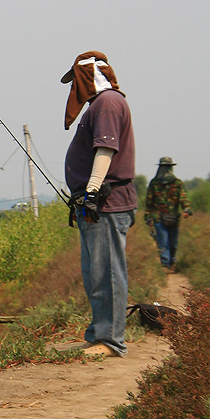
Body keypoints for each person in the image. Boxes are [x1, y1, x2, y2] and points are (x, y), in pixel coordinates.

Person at [62, 51, 136, 358]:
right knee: (95, 272)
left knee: (107, 272)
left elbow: (105, 148)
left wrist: (91, 192)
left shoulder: (107, 103)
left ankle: (110, 340)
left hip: (106, 203)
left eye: (74, 81)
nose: (72, 89)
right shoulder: (101, 104)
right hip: (96, 204)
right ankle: (99, 334)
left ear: (87, 78)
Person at [144, 157, 191, 272]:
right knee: (163, 241)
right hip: (158, 217)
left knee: (173, 243)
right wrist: (148, 215)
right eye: (163, 167)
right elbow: (149, 201)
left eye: (167, 167)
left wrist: (186, 209)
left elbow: (183, 198)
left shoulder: (178, 183)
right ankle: (165, 265)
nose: (165, 170)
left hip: (174, 217)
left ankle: (172, 262)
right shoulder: (154, 183)